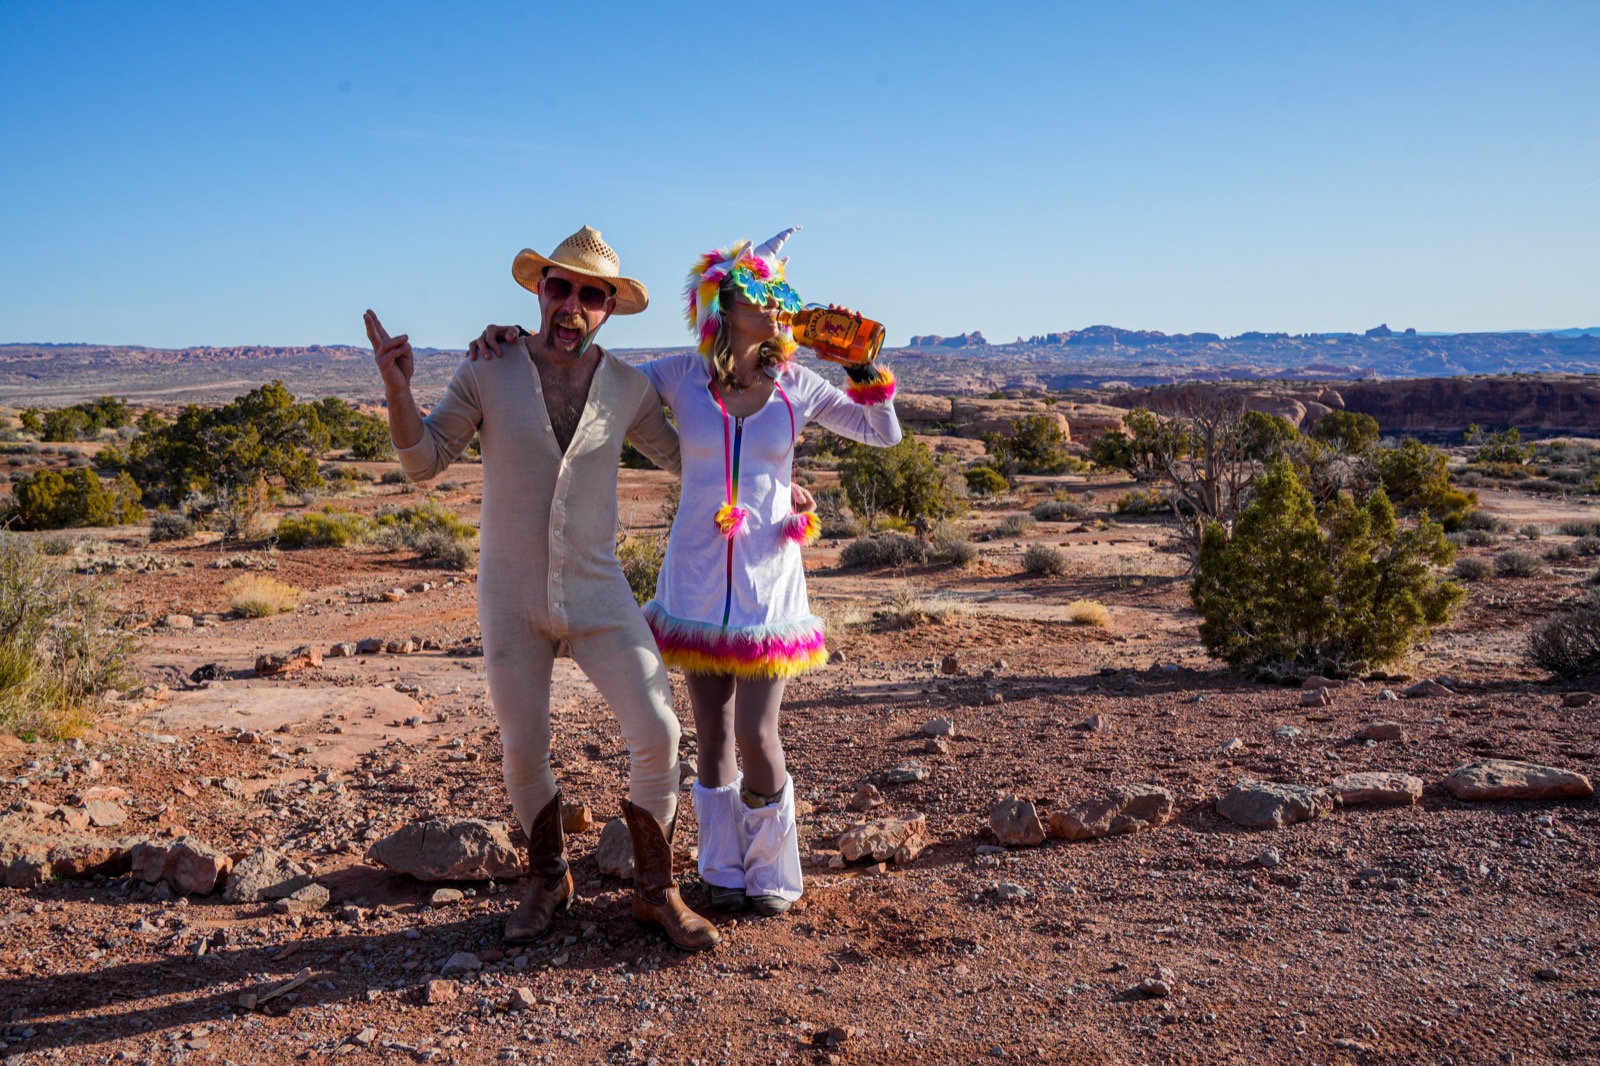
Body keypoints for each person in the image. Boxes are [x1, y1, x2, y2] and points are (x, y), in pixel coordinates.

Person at [365, 225, 719, 952]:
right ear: (539, 289)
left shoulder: (628, 388)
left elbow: (692, 461)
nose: (574, 305)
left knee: (659, 731)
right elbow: (424, 461)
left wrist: (773, 484)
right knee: (525, 748)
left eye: (592, 295)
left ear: (609, 309)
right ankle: (548, 879)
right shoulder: (488, 369)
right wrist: (398, 390)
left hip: (599, 590)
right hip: (510, 595)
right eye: (562, 286)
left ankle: (655, 891)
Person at [643, 227, 900, 914]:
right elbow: (601, 392)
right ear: (725, 303)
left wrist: (863, 365)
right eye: (763, 294)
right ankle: (723, 870)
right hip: (697, 580)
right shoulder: (679, 376)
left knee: (758, 732)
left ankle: (773, 872)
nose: (779, 305)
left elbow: (883, 433)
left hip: (769, 585)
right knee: (712, 734)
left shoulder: (797, 385)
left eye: (783, 294)